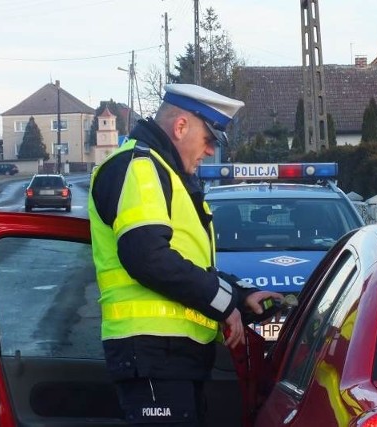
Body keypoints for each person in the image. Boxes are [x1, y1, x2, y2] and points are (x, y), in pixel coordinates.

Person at [88, 83, 283, 426]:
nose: (210, 152)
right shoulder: (140, 169)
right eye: (210, 140)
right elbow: (148, 258)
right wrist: (222, 303)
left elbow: (188, 265)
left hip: (168, 358)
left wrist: (241, 297)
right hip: (152, 354)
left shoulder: (162, 173)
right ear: (180, 127)